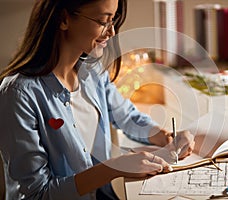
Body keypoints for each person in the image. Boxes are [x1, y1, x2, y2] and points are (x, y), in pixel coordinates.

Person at [0, 0, 195, 199]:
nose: (111, 33)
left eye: (113, 21)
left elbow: (127, 117)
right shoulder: (18, 94)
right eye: (103, 21)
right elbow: (38, 193)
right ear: (64, 19)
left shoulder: (92, 72)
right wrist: (113, 168)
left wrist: (167, 137)